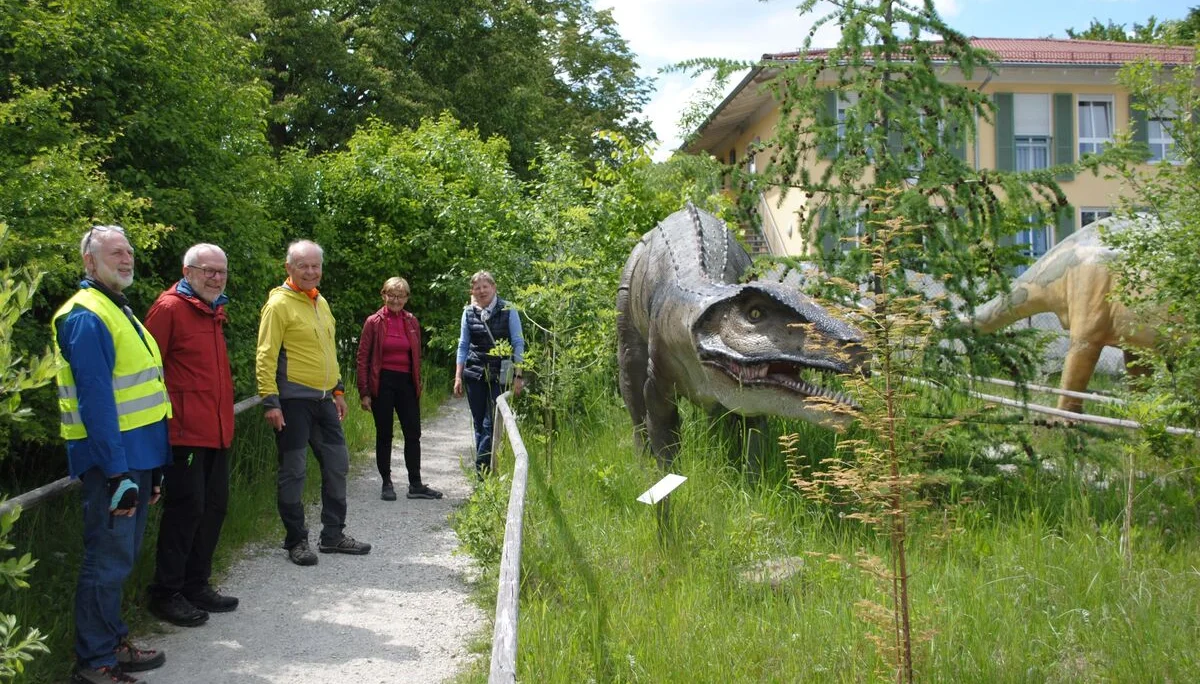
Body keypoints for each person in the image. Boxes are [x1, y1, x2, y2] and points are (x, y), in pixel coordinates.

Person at [52, 225, 171, 684]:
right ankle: (96, 661)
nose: (126, 259)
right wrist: (119, 471)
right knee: (106, 558)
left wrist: (154, 468)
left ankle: (113, 641)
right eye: (115, 253)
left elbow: (142, 395)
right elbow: (97, 402)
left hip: (138, 458)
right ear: (89, 262)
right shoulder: (85, 315)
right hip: (112, 463)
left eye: (129, 251)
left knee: (122, 556)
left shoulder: (118, 308)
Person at [256, 239, 371, 566]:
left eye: (315, 266)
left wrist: (337, 390)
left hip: (323, 401)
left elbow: (328, 352)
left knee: (338, 465)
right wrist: (270, 401)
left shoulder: (321, 302)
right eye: (303, 266)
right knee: (294, 471)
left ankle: (333, 535)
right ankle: (296, 541)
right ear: (289, 268)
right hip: (292, 402)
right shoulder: (279, 305)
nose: (310, 271)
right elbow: (265, 355)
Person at [143, 244, 238, 627]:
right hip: (183, 432)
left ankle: (196, 584)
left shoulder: (212, 309)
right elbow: (149, 372)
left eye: (221, 272)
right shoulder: (169, 309)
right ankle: (166, 592)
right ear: (187, 271)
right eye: (208, 271)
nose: (216, 278)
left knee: (213, 508)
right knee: (186, 511)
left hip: (216, 430)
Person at [356, 277, 442, 501]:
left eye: (400, 296)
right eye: (391, 295)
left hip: (406, 383)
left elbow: (416, 357)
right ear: (383, 295)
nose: (395, 300)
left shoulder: (412, 322)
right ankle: (386, 482)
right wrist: (364, 392)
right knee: (384, 434)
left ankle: (415, 484)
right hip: (381, 382)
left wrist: (418, 382)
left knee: (413, 433)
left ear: (406, 298)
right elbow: (363, 358)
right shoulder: (373, 322)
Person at [452, 271, 525, 476]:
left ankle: (481, 470)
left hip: (500, 374)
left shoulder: (509, 309)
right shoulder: (468, 312)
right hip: (474, 373)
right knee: (478, 422)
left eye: (486, 286)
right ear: (472, 290)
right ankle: (488, 470)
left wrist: (518, 375)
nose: (482, 290)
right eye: (477, 287)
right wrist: (458, 376)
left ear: (494, 288)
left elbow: (518, 343)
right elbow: (463, 345)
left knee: (492, 421)